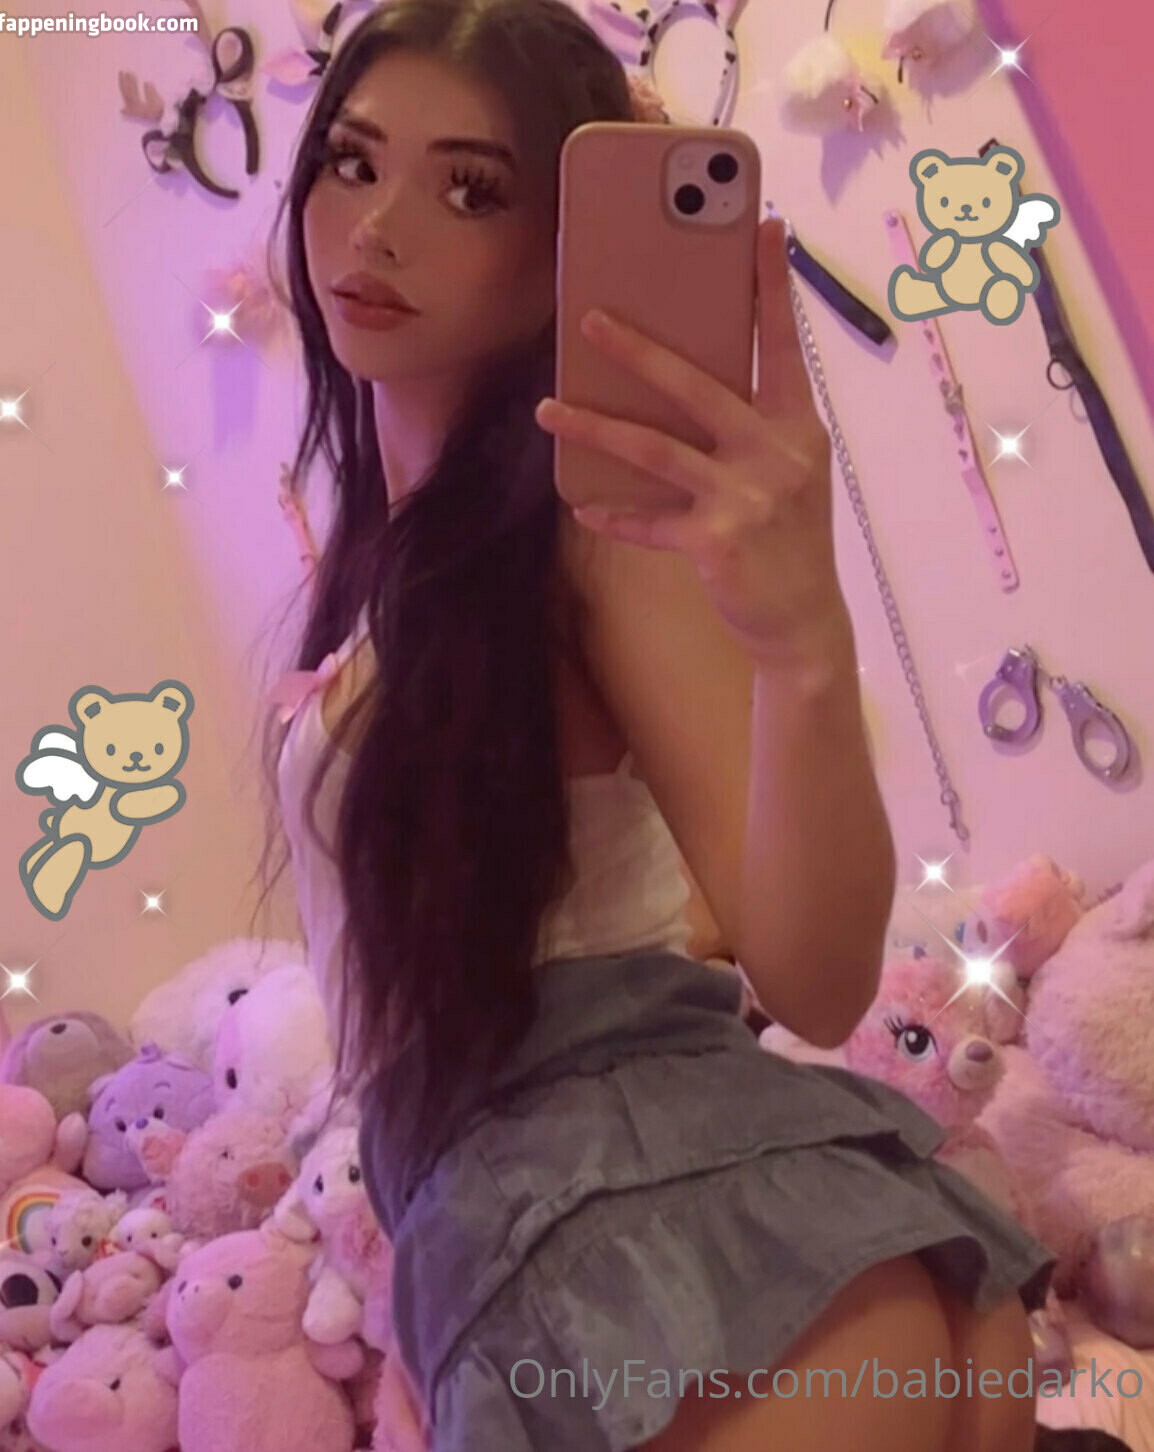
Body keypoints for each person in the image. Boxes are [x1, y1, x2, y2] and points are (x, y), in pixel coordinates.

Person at [250, 3, 1116, 1449]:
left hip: (683, 1262)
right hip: (664, 1263)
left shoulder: (587, 532)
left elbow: (817, 981)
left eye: (471, 188)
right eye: (352, 161)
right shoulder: (405, 569)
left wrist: (803, 642)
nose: (378, 225)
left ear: (566, 250)